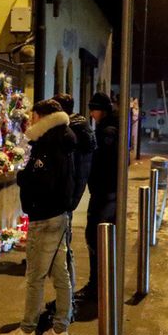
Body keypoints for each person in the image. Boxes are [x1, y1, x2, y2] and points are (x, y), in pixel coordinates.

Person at [0, 99, 76, 335]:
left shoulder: (48, 143)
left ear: (44, 118)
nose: (31, 122)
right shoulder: (64, 138)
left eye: (34, 118)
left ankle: (27, 330)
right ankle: (60, 329)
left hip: (44, 217)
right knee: (60, 274)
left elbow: (42, 182)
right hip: (60, 215)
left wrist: (24, 177)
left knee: (35, 277)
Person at [76, 92, 119, 301]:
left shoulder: (107, 131)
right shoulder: (110, 127)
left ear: (101, 110)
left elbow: (101, 161)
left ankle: (97, 286)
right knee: (99, 237)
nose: (92, 114)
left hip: (104, 193)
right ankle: (101, 284)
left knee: (96, 237)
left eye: (93, 110)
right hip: (107, 192)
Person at [52, 92, 95, 293]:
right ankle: (67, 294)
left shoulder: (71, 132)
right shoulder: (81, 128)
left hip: (67, 193)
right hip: (72, 191)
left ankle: (67, 296)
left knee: (64, 246)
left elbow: (68, 166)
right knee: (64, 243)